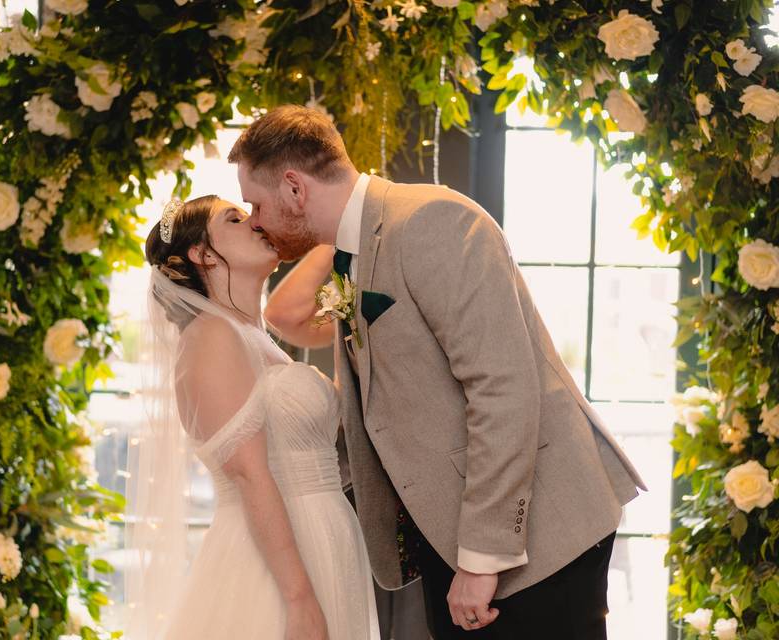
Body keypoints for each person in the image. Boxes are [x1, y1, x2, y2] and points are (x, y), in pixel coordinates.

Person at [232, 105, 647, 639]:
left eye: (255, 202)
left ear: (294, 187)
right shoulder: (351, 254)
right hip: (448, 538)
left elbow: (503, 389)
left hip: (531, 543)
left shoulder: (433, 220)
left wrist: (481, 557)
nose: (256, 220)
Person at [125, 194, 380, 640]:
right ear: (202, 255)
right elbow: (248, 474)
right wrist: (299, 601)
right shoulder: (210, 336)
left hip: (323, 542)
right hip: (273, 569)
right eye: (235, 219)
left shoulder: (252, 335)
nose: (256, 223)